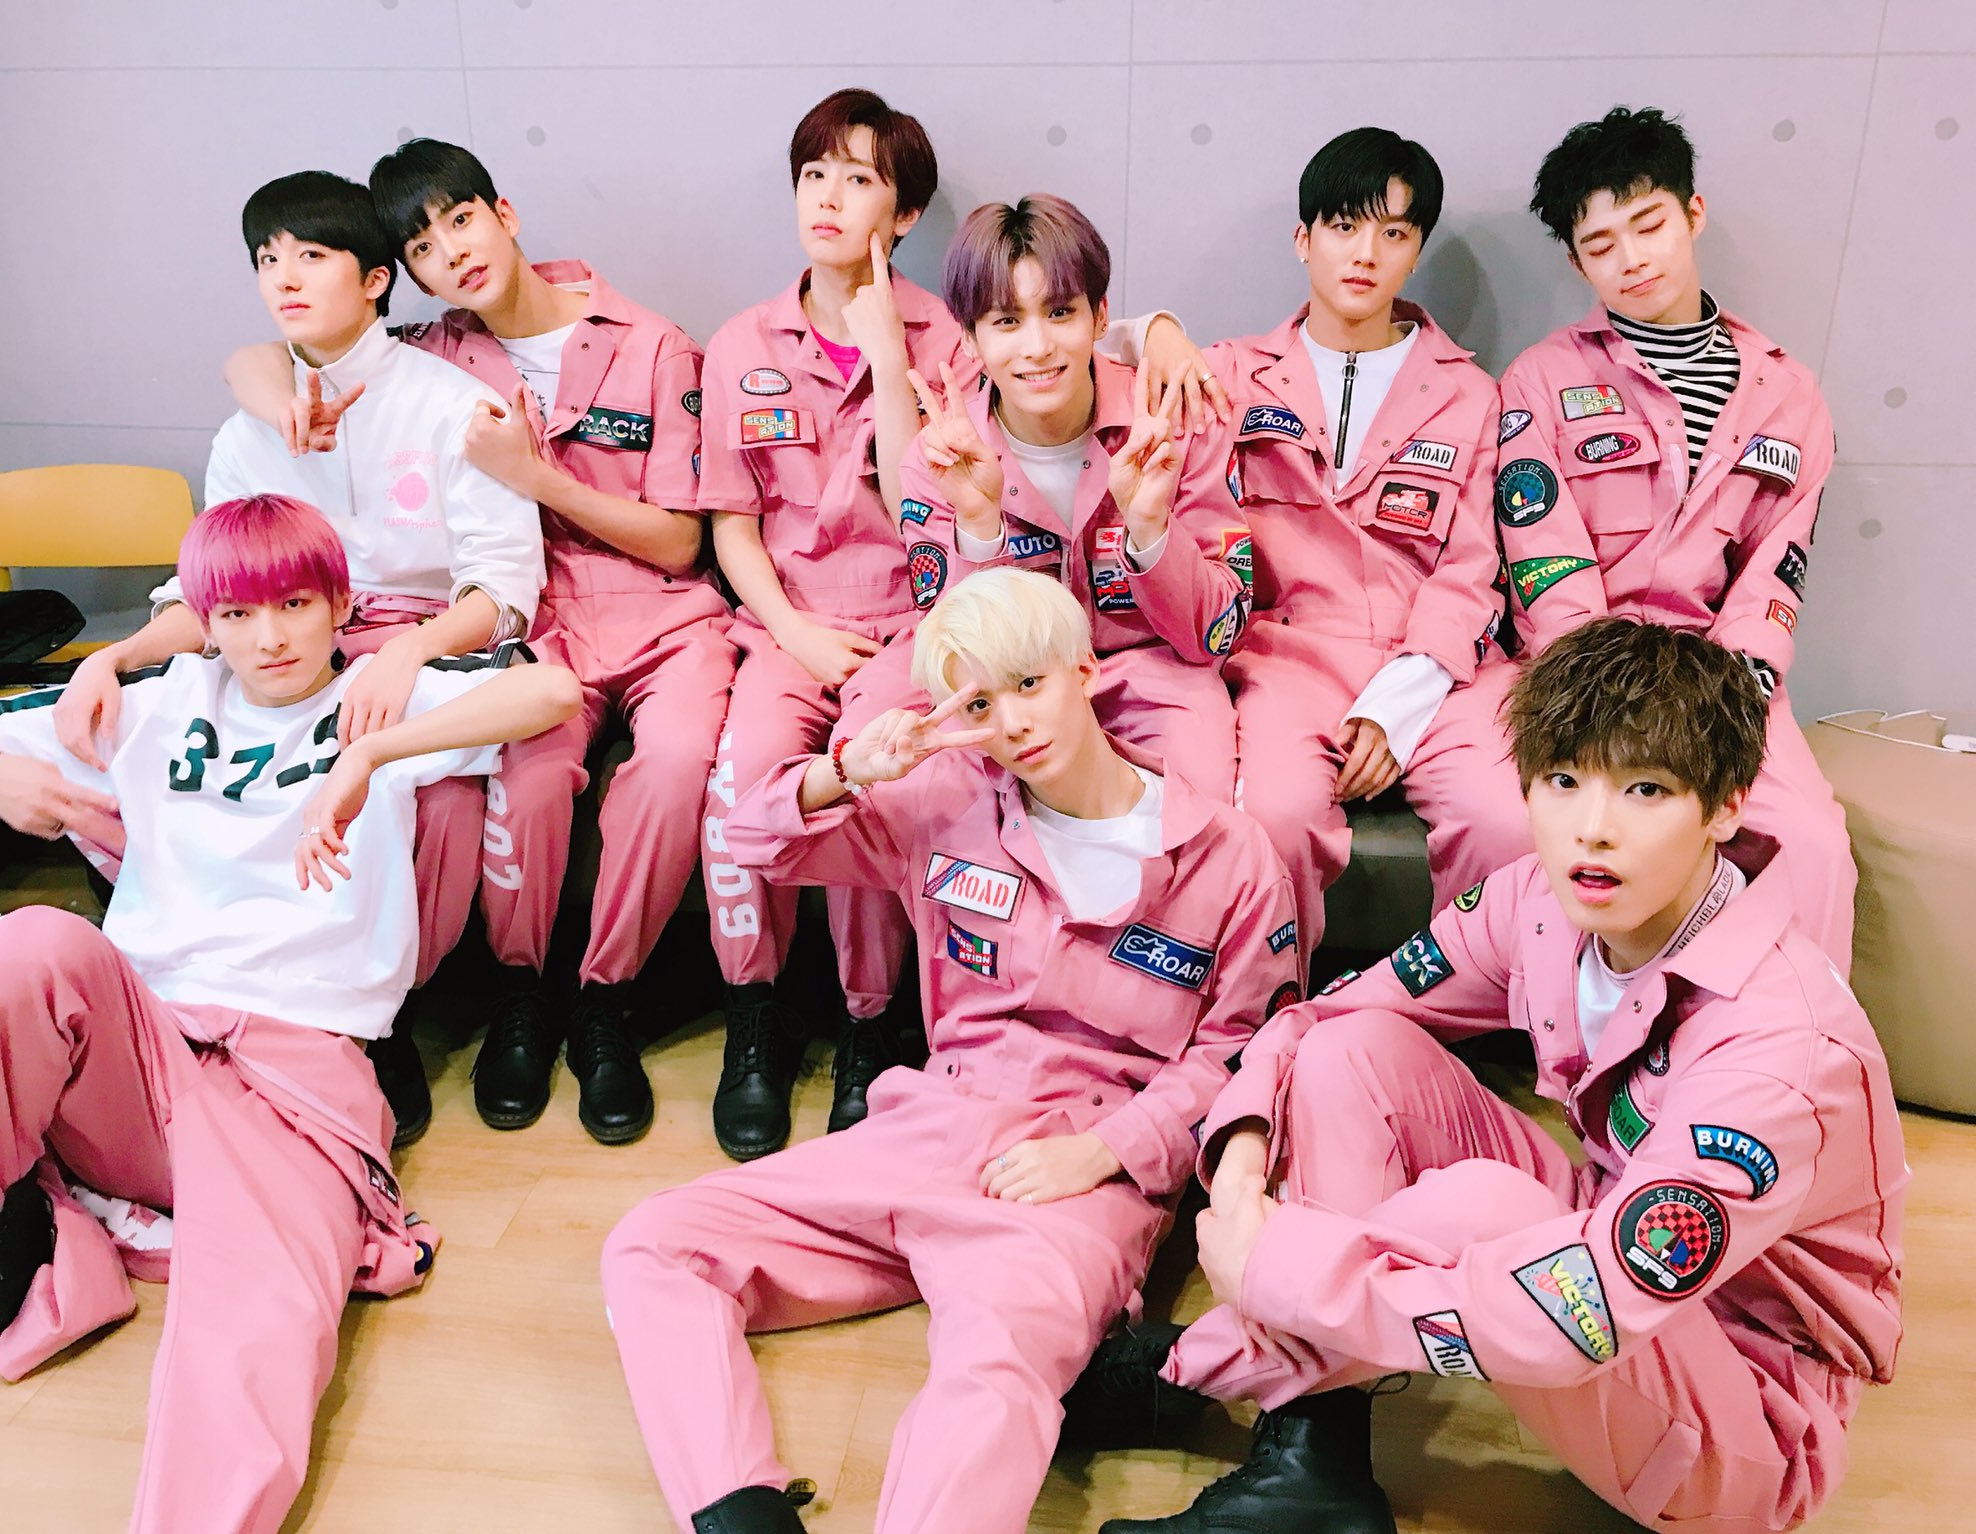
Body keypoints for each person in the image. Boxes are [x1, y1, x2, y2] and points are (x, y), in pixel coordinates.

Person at [1065, 619, 1904, 1534]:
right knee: (1355, 1052)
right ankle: (1310, 1468)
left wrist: (1272, 1274)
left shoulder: (1779, 1047)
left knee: (1482, 1211)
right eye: (1564, 781)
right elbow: (1321, 1020)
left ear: (1725, 807)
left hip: (1737, 1419)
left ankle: (1198, 1371)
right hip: (1603, 1236)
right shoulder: (1544, 901)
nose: (1593, 830)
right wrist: (1240, 1153)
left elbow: (1585, 1307)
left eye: (1647, 790)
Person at [0, 495, 581, 1533]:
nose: (268, 636)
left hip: (296, 1066)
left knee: (262, 1325)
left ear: (339, 605)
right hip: (140, 1047)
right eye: (236, 614)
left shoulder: (381, 697)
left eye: (293, 605)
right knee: (23, 946)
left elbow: (551, 688)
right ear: (204, 620)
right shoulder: (158, 699)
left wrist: (369, 753)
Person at [601, 568, 1299, 1534]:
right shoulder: (944, 805)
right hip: (929, 1127)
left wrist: (1104, 1152)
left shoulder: (1231, 854)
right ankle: (736, 1514)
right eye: (977, 704)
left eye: (1028, 684)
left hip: (1077, 1171)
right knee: (654, 1243)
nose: (1010, 723)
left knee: (994, 1371)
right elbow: (756, 841)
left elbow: (1242, 1053)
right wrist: (850, 767)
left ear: (1085, 672)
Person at [229, 137, 735, 1143]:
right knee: (531, 772)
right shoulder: (439, 351)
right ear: (403, 273)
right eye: (421, 246)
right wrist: (274, 401)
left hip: (665, 613)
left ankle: (606, 1002)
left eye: (460, 221)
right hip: (537, 616)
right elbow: (273, 351)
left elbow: (682, 543)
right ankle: (521, 996)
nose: (450, 253)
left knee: (676, 762)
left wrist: (537, 477)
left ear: (504, 215)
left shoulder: (653, 343)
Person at [52, 168, 546, 1142]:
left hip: (424, 641)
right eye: (266, 258)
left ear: (374, 279)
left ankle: (387, 1012)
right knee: (161, 752)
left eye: (310, 255)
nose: (283, 276)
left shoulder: (447, 403)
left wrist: (408, 651)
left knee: (434, 790)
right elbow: (208, 597)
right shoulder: (249, 427)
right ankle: (233, 988)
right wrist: (114, 659)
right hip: (283, 648)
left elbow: (501, 585)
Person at [1103, 127, 1530, 983]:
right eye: (1343, 226)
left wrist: (1396, 710)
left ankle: (1462, 1022)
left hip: (1437, 667)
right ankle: (1273, 1016)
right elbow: (1069, 348)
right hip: (1287, 658)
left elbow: (1473, 569)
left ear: (1415, 253)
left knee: (1509, 821)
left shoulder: (1470, 392)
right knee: (1274, 816)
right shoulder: (1227, 374)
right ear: (1304, 240)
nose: (1366, 253)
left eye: (1394, 233)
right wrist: (1154, 330)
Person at [1495, 106, 1856, 973]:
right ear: (1578, 262)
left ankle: (1794, 1039)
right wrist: (1609, 700)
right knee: (1517, 821)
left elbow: (1775, 572)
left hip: (1721, 681)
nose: (1632, 258)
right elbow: (1543, 557)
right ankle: (1536, 1022)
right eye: (1601, 244)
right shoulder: (1542, 379)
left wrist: (1719, 700)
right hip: (1575, 676)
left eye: (1649, 225)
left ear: (1693, 214)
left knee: (1812, 847)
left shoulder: (1787, 394)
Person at [696, 88, 969, 1159]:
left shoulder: (946, 338)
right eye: (815, 174)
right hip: (784, 624)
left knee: (872, 768)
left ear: (902, 216)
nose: (828, 198)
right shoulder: (742, 341)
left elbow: (920, 505)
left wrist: (889, 357)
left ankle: (868, 1021)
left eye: (859, 180)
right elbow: (730, 526)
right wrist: (791, 631)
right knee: (744, 776)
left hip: (908, 621)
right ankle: (753, 1014)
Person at [898, 193, 1252, 806]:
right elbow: (952, 658)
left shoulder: (1175, 425)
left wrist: (1150, 530)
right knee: (939, 806)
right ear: (971, 341)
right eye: (1007, 321)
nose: (1038, 346)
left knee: (1200, 810)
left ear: (1100, 316)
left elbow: (1217, 634)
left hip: (1156, 676)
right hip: (1008, 695)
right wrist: (979, 525)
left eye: (1060, 312)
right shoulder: (939, 459)